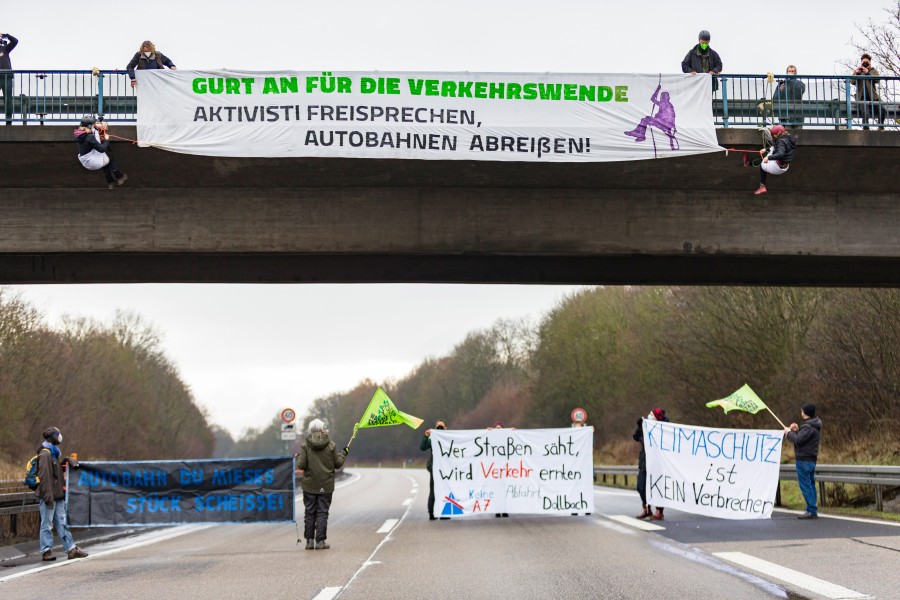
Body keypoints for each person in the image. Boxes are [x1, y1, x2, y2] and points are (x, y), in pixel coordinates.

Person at [35, 427, 88, 561]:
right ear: (53, 437)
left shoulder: (53, 453)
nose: (60, 437)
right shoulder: (45, 454)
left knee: (62, 522)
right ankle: (46, 551)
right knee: (47, 524)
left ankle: (71, 549)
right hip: (49, 495)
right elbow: (45, 476)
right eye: (58, 435)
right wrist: (48, 496)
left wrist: (64, 462)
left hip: (57, 495)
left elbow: (55, 474)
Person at [295, 419, 347, 549]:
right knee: (322, 512)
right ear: (322, 429)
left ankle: (309, 542)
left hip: (309, 485)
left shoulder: (305, 446)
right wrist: (343, 453)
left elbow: (301, 465)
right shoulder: (331, 445)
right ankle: (320, 542)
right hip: (326, 484)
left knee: (310, 512)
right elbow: (338, 464)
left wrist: (298, 458)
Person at [784, 404, 823, 519]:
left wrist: (788, 433)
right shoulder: (813, 424)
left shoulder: (808, 427)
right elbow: (804, 437)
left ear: (805, 412)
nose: (801, 411)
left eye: (802, 410)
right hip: (811, 459)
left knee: (805, 485)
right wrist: (798, 429)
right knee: (810, 484)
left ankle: (811, 510)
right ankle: (813, 508)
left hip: (803, 460)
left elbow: (798, 440)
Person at [74, 116, 128, 189]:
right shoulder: (90, 137)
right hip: (92, 161)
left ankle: (110, 182)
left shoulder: (80, 133)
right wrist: (106, 139)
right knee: (109, 159)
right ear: (89, 126)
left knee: (104, 161)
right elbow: (102, 149)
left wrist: (98, 124)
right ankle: (120, 177)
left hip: (85, 160)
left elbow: (93, 130)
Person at [634, 408, 669, 520]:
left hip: (657, 464)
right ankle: (647, 509)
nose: (649, 415)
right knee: (640, 487)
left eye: (651, 414)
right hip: (644, 463)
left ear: (656, 418)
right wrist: (640, 426)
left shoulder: (663, 430)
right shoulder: (646, 427)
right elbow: (636, 437)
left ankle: (659, 511)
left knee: (657, 488)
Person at [623, 82, 679, 151]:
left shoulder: (664, 103)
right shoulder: (669, 104)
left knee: (645, 119)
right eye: (662, 96)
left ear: (667, 98)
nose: (662, 97)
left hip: (665, 124)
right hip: (666, 124)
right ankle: (639, 134)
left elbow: (652, 99)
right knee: (645, 119)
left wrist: (657, 90)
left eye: (664, 96)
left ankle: (640, 135)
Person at [752, 124, 795, 195]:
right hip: (784, 165)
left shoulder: (780, 142)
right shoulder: (788, 138)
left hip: (776, 167)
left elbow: (780, 153)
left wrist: (768, 158)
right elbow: (776, 147)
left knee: (763, 164)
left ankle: (762, 186)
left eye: (773, 136)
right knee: (769, 154)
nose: (773, 137)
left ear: (777, 135)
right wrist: (765, 149)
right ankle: (748, 162)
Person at [420, 420, 447, 521]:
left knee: (445, 490)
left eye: (441, 426)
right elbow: (422, 447)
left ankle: (445, 512)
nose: (440, 428)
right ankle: (432, 512)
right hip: (435, 468)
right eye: (438, 426)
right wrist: (426, 436)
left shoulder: (450, 437)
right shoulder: (432, 438)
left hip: (447, 469)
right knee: (433, 491)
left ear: (446, 428)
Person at [851, 53, 883, 130]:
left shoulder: (873, 71)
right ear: (861, 62)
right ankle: (866, 129)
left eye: (867, 62)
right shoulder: (858, 71)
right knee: (865, 113)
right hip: (862, 98)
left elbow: (877, 80)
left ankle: (881, 127)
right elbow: (852, 82)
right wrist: (857, 73)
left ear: (870, 62)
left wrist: (867, 73)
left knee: (882, 109)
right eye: (863, 62)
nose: (865, 63)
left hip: (874, 97)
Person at [0, 32, 18, 125]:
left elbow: (15, 41)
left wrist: (6, 35)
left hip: (7, 77)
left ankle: (8, 122)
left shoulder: (5, 48)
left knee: (8, 101)